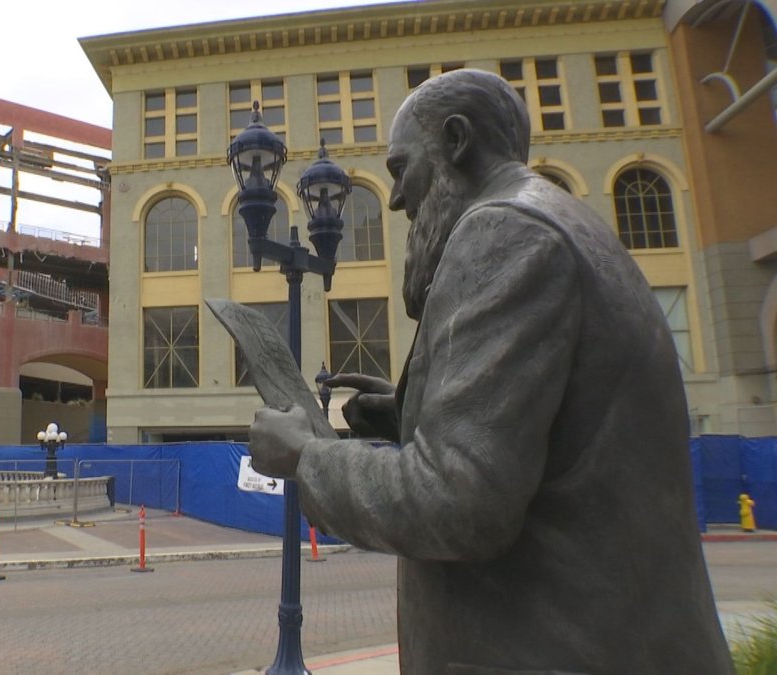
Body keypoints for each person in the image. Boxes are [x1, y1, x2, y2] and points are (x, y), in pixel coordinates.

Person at [248, 69, 732, 673]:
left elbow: (457, 502)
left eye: (402, 170)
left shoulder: (503, 230)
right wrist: (410, 411)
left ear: (455, 141)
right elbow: (558, 436)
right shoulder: (562, 221)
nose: (397, 200)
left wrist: (304, 457)